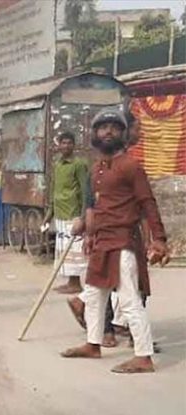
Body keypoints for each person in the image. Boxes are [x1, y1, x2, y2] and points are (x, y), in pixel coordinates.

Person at [61, 109, 168, 374]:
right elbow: (96, 207)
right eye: (103, 127)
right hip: (102, 240)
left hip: (123, 241)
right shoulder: (96, 169)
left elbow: (147, 203)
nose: (108, 131)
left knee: (129, 299)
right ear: (95, 135)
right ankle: (93, 344)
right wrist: (87, 230)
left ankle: (143, 357)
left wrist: (160, 239)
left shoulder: (131, 166)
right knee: (96, 295)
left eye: (114, 127)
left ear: (123, 135)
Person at [43, 132, 89, 294]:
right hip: (60, 212)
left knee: (74, 251)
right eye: (63, 143)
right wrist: (49, 215)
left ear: (74, 145)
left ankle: (76, 283)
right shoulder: (57, 164)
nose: (66, 146)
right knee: (64, 250)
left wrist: (83, 216)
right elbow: (54, 191)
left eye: (69, 143)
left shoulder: (79, 165)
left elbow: (85, 191)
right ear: (59, 145)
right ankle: (71, 282)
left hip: (73, 213)